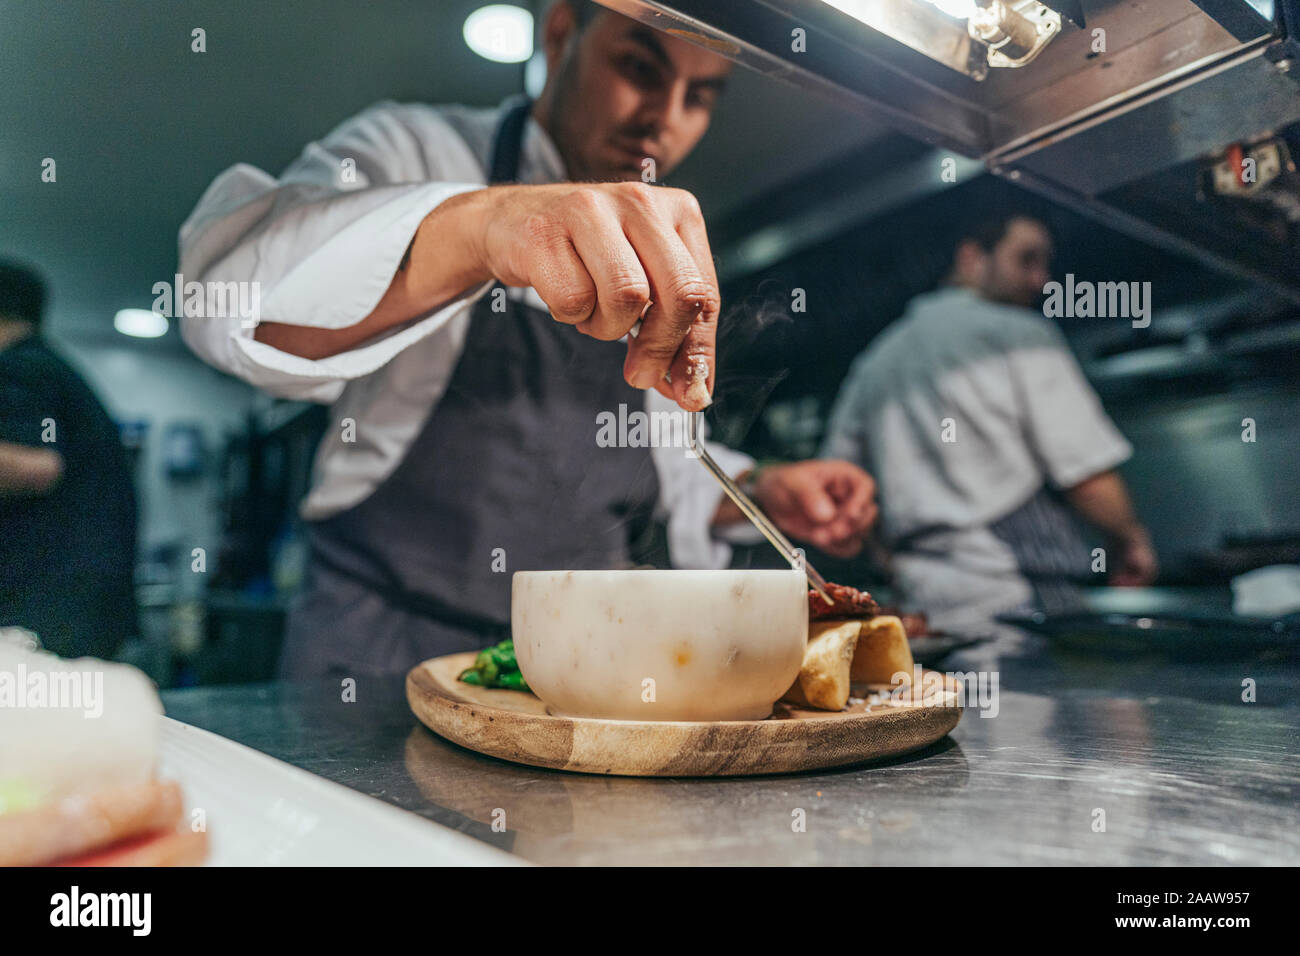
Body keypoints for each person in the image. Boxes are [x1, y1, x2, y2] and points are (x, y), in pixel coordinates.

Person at [179, 0, 878, 678]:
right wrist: (485, 229)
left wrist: (760, 488)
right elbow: (226, 303)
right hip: (382, 649)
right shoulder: (415, 147)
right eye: (639, 66)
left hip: (578, 665)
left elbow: (659, 467)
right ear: (562, 34)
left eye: (699, 95)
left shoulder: (653, 243)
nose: (663, 119)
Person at [821, 213, 1157, 634]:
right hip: (1018, 589)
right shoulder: (1018, 332)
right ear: (972, 258)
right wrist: (1130, 540)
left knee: (951, 701)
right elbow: (1085, 474)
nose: (1041, 280)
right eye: (1026, 260)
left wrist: (889, 560)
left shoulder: (876, 359)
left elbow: (838, 484)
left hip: (919, 600)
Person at [0, 261, 138, 659]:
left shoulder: (18, 367)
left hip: (46, 605)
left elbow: (37, 466)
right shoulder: (56, 370)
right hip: (84, 601)